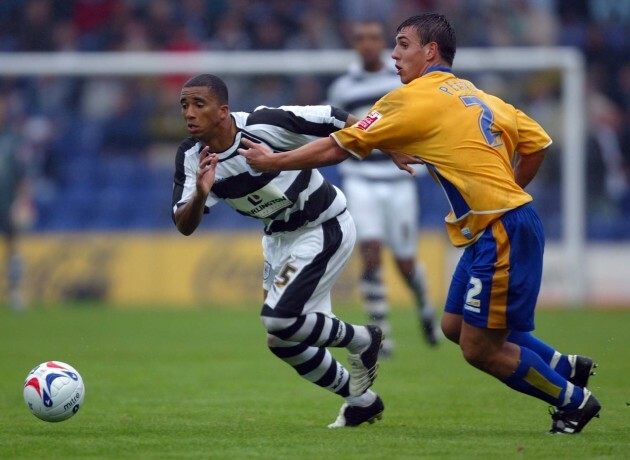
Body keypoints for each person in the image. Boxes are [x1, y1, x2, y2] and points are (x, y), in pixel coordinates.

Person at [239, 13, 601, 434]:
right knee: (454, 326)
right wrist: (510, 192)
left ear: (430, 51)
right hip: (500, 224)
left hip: (501, 228)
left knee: (479, 349)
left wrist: (273, 160)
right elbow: (537, 142)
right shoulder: (477, 93)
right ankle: (564, 366)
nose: (394, 54)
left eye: (403, 44)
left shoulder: (410, 98)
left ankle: (572, 401)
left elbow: (337, 148)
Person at [171, 74, 385, 428]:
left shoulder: (263, 124)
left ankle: (364, 338)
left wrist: (387, 144)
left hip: (322, 225)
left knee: (278, 318)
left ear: (223, 111)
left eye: (198, 104)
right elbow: (184, 224)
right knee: (281, 339)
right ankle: (360, 401)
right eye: (184, 105)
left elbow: (334, 116)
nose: (189, 113)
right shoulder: (191, 156)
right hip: (278, 239)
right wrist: (200, 193)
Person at [327, 20, 439, 356]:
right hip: (361, 179)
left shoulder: (400, 81)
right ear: (354, 44)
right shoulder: (343, 87)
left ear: (384, 43)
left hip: (399, 180)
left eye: (374, 37)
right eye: (360, 37)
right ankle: (383, 334)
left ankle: (425, 309)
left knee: (405, 262)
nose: (367, 43)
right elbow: (337, 130)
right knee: (371, 252)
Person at [0, 95, 28, 311]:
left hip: (7, 203)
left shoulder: (13, 139)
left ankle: (15, 290)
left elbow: (22, 176)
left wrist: (22, 202)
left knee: (13, 247)